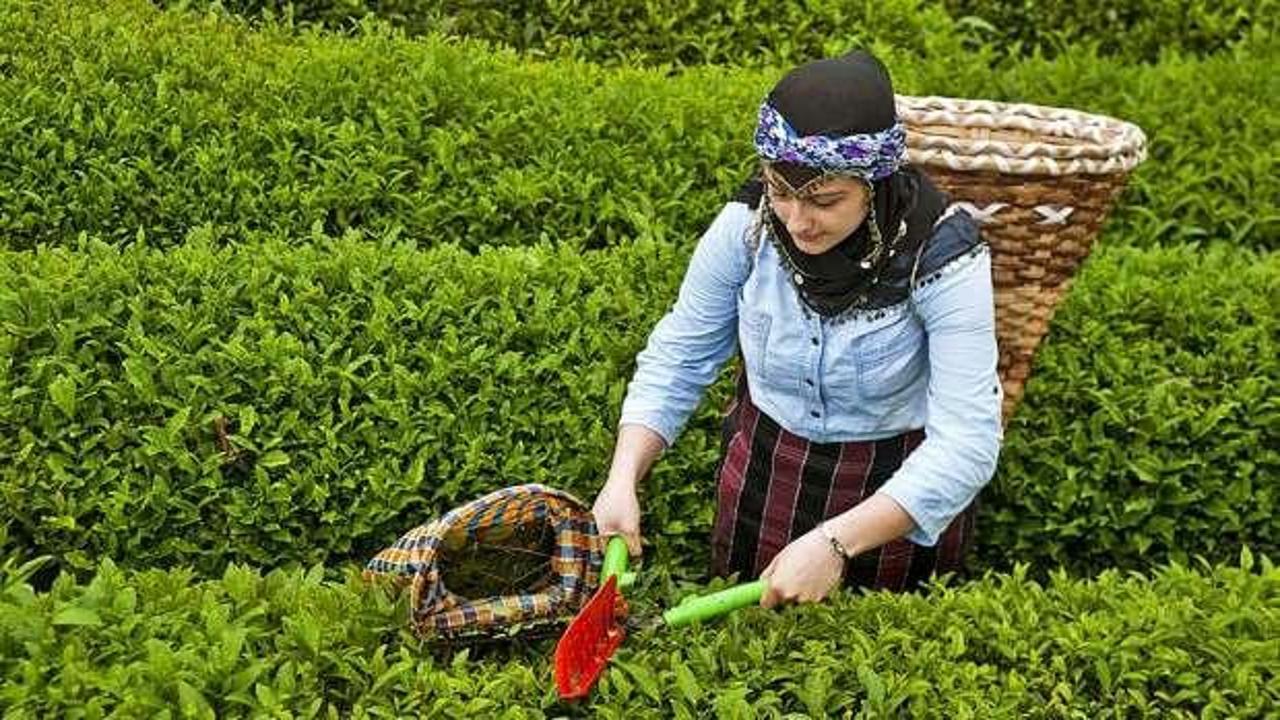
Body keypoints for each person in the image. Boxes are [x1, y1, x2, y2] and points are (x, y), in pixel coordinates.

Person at [591, 49, 1004, 609]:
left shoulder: (943, 254)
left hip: (894, 493)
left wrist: (836, 543)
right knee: (746, 636)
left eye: (825, 201)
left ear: (875, 184)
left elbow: (968, 443)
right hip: (767, 476)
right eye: (781, 192)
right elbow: (679, 357)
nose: (798, 221)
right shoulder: (746, 228)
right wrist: (623, 478)